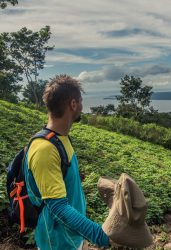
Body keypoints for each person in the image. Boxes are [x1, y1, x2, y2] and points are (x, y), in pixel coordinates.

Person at [23, 75, 110, 250]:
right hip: (57, 242)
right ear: (73, 104)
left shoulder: (61, 139)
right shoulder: (44, 150)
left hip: (73, 234)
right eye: (81, 101)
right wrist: (100, 235)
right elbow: (58, 207)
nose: (82, 106)